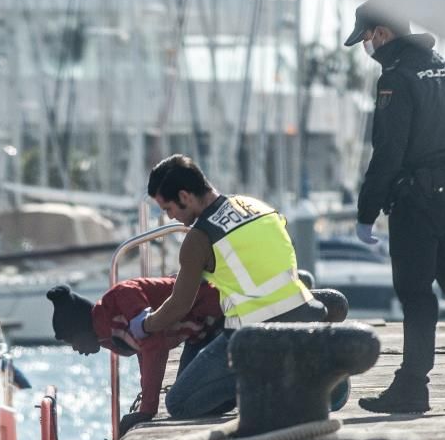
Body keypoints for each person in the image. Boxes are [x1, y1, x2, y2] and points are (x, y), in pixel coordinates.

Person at [343, 1, 445, 413]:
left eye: (365, 38)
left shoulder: (396, 79)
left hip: (416, 201)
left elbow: (389, 152)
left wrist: (367, 212)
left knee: (416, 294)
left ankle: (412, 387)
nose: (367, 47)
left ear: (381, 34)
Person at [134, 154, 328, 420]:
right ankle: (299, 369)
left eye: (169, 209)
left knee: (179, 403)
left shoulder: (199, 238)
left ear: (184, 196)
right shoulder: (256, 206)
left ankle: (269, 380)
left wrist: (146, 324)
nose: (171, 218)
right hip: (301, 314)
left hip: (252, 336)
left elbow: (179, 306)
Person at [47, 277, 227, 436]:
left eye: (72, 341)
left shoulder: (121, 297)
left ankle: (237, 383)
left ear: (81, 327)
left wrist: (147, 410)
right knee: (186, 398)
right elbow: (144, 352)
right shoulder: (107, 334)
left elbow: (154, 346)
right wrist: (146, 403)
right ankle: (233, 388)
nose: (75, 349)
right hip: (199, 336)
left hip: (220, 319)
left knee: (178, 403)